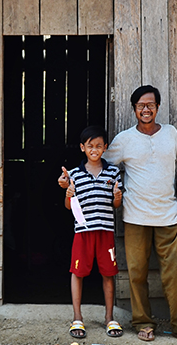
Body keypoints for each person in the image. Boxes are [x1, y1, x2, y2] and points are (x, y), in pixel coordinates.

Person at [61, 85, 177, 343]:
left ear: (157, 107)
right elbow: (97, 159)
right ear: (134, 109)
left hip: (169, 214)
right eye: (140, 106)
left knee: (173, 274)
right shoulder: (124, 139)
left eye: (150, 105)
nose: (146, 109)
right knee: (137, 274)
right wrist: (71, 181)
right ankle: (143, 323)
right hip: (135, 216)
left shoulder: (171, 134)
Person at [63, 125, 124, 339]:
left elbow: (116, 204)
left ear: (105, 147)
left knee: (108, 273)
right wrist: (69, 193)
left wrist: (117, 196)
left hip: (105, 231)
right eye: (90, 146)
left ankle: (109, 318)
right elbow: (69, 206)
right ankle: (77, 318)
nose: (95, 150)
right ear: (82, 148)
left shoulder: (113, 172)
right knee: (78, 272)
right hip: (83, 232)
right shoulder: (74, 174)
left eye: (99, 146)